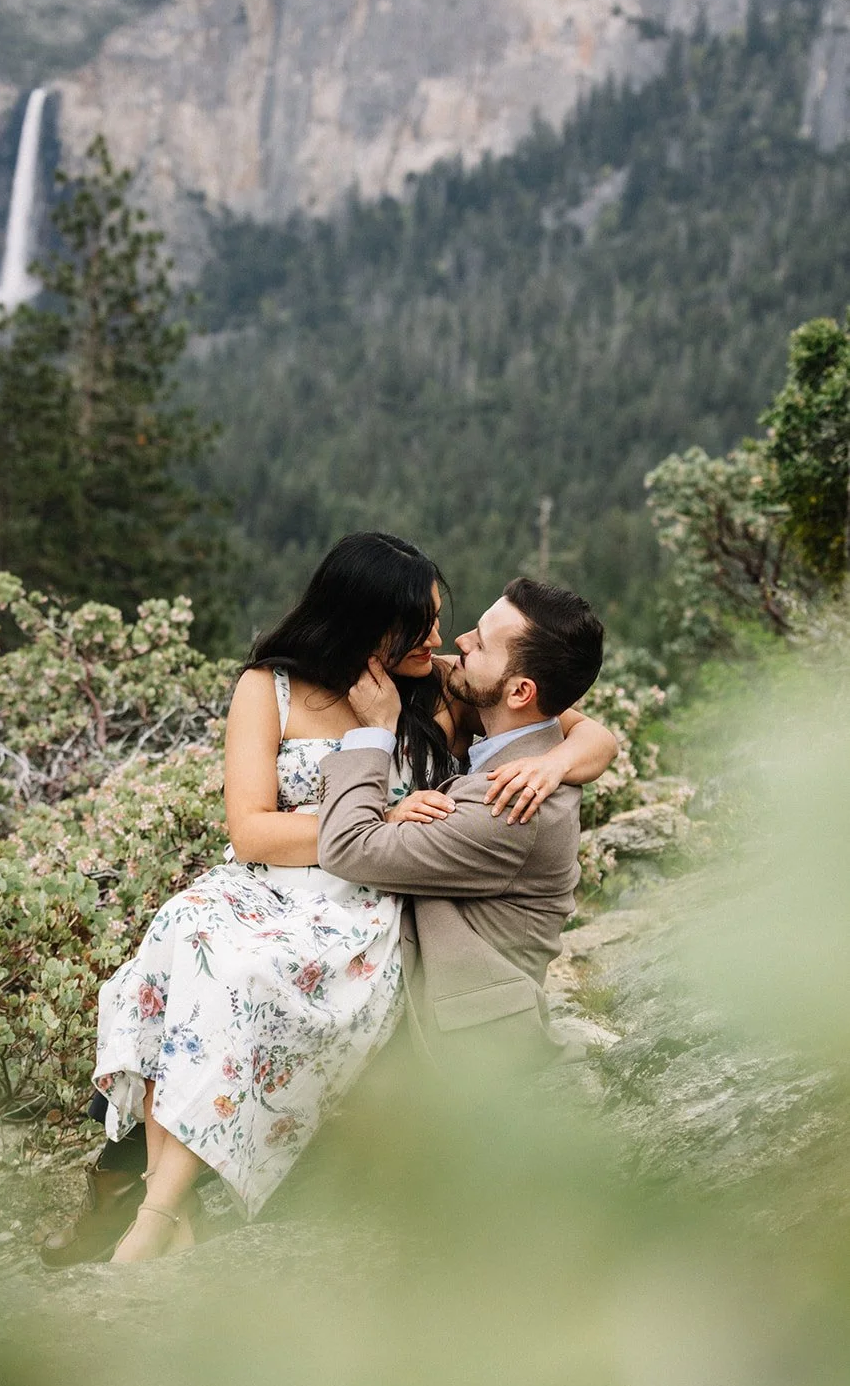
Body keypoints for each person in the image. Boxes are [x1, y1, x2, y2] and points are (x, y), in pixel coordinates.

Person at [40, 538, 616, 1267]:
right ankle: (160, 1208)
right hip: (268, 887)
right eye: (422, 625)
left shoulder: (438, 686)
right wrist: (367, 817)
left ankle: (142, 1205)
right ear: (368, 624)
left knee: (236, 972)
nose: (439, 641)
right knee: (184, 934)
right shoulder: (270, 688)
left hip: (364, 910)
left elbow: (581, 724)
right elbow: (250, 829)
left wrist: (559, 761)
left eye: (443, 625)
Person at [316, 577, 606, 1070]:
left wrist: (370, 733)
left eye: (481, 642)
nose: (460, 642)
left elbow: (346, 847)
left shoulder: (511, 806)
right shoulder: (531, 743)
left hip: (461, 1050)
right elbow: (594, 734)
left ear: (520, 691)